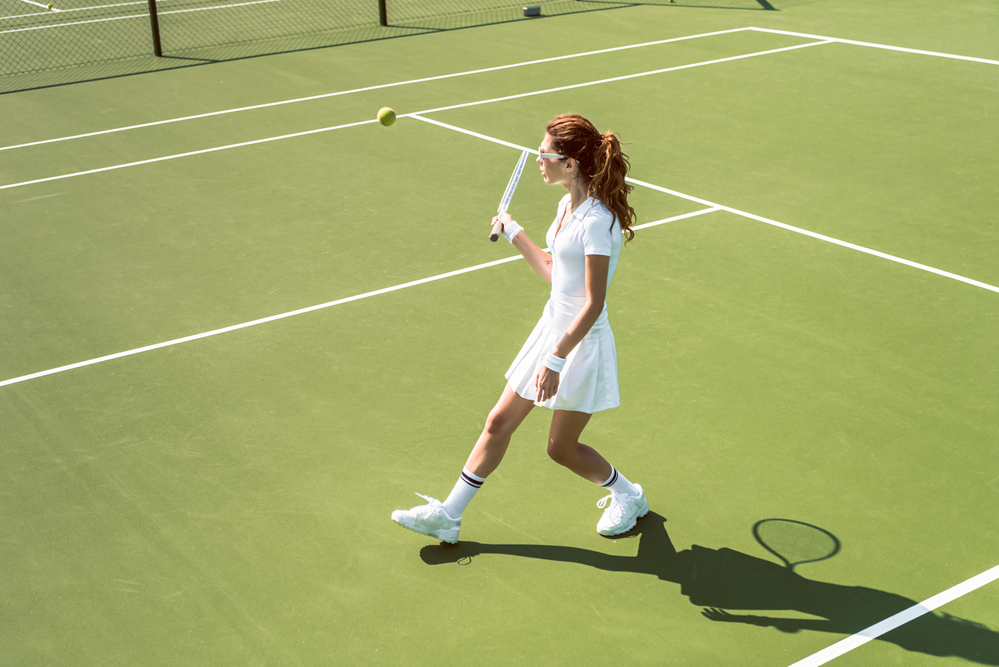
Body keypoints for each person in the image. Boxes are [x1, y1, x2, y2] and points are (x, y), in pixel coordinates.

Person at [391, 114, 647, 543]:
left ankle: (628, 495)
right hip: (552, 331)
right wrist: (515, 233)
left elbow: (593, 302)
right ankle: (448, 516)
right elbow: (556, 274)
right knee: (498, 422)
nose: (539, 161)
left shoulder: (597, 223)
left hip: (579, 345)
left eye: (545, 154)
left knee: (560, 450)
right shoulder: (567, 206)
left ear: (570, 164)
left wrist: (556, 359)